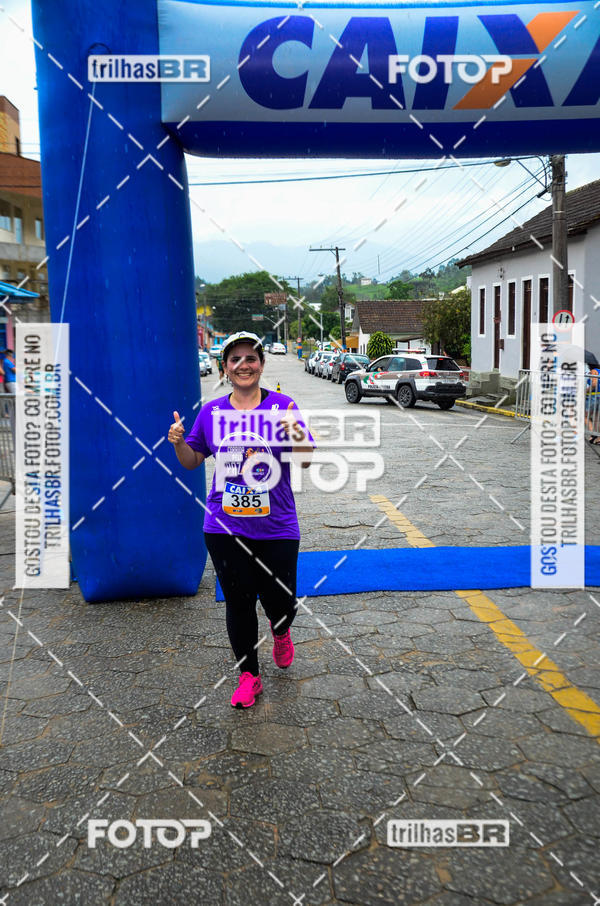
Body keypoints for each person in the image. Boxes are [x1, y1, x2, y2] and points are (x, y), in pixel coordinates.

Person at [168, 331, 314, 709]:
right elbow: (192, 461)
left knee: (282, 601)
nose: (244, 365)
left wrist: (292, 430)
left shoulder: (283, 405)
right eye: (235, 359)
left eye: (251, 358)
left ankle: (280, 631)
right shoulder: (211, 412)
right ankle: (249, 675)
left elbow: (307, 458)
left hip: (278, 526)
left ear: (261, 365)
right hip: (223, 527)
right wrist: (179, 443)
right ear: (225, 368)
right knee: (238, 601)